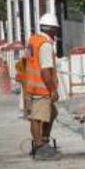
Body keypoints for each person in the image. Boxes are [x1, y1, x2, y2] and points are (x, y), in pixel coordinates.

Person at [23, 13, 60, 160]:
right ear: (51, 30)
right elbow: (45, 71)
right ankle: (40, 146)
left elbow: (26, 64)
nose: (56, 33)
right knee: (37, 118)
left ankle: (43, 140)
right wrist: (53, 90)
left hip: (32, 86)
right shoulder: (45, 45)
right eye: (55, 30)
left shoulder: (33, 40)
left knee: (51, 113)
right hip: (41, 89)